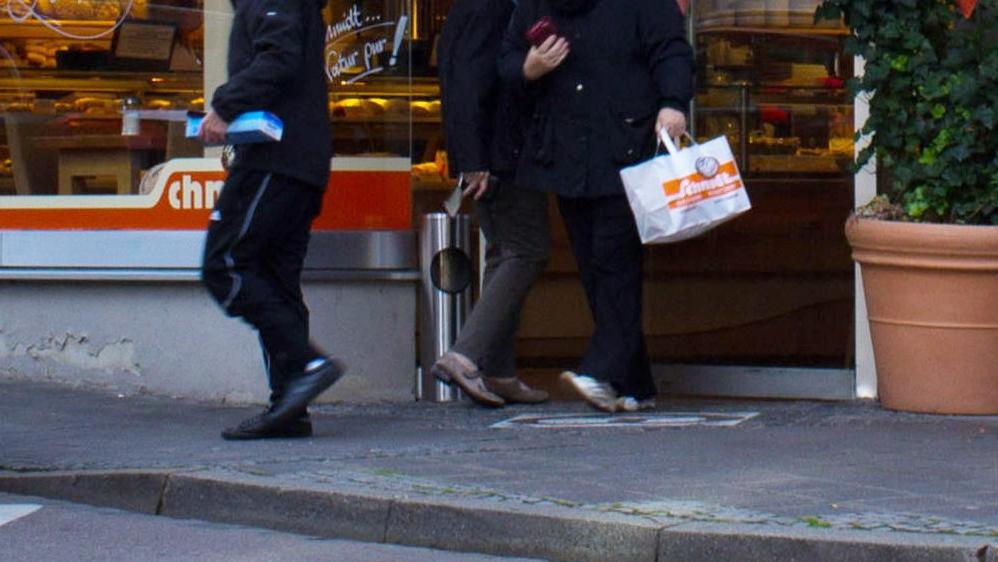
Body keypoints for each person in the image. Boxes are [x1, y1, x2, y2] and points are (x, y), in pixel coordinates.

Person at [499, 0, 693, 412]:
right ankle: (635, 383)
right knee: (594, 268)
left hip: (627, 149)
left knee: (613, 264)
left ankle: (600, 371)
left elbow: (671, 50)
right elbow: (507, 62)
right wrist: (529, 67)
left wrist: (674, 102)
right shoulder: (537, 3)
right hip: (565, 153)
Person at [200, 0, 344, 439]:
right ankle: (289, 406)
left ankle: (307, 364)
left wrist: (226, 106)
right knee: (277, 277)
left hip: (273, 158)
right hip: (301, 161)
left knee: (225, 264)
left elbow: (279, 57)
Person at [430, 0, 552, 407]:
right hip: (500, 155)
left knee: (504, 253)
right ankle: (464, 356)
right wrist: (473, 160)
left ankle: (498, 371)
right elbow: (468, 85)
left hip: (494, 153)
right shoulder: (488, 7)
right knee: (527, 250)